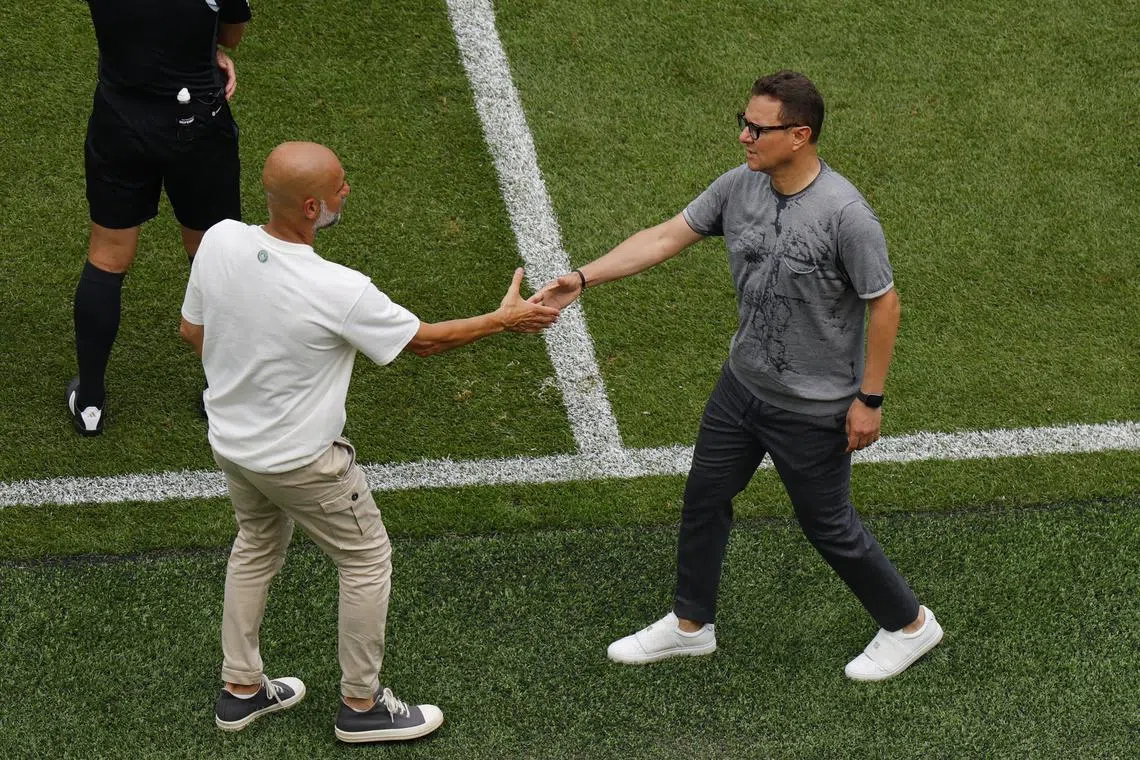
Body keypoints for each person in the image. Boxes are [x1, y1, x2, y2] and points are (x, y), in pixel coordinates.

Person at [533, 71, 943, 681]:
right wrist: (584, 279)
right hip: (742, 387)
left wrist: (870, 399)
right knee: (704, 496)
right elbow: (668, 235)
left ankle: (910, 624)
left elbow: (884, 303)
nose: (744, 136)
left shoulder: (846, 215)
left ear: (799, 135)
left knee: (828, 526)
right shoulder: (740, 186)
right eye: (743, 122)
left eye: (758, 127)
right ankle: (690, 625)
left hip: (814, 407)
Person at [179, 141, 560, 741]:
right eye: (339, 187)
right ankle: (362, 707)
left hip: (232, 443)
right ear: (312, 207)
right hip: (302, 461)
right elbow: (426, 342)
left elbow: (191, 330)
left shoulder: (220, 240)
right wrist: (504, 320)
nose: (347, 191)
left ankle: (242, 689)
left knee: (254, 545)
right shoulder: (338, 288)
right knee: (365, 560)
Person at [68, 0, 252, 436]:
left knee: (108, 255)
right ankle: (221, 392)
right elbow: (230, 34)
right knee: (213, 253)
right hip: (197, 123)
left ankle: (90, 402)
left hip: (119, 120)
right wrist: (207, 52)